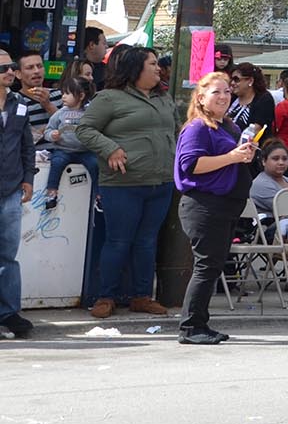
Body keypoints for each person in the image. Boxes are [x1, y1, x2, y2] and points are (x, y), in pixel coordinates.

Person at [77, 45, 177, 319]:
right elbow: (84, 129)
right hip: (122, 184)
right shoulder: (109, 98)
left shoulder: (164, 99)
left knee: (147, 242)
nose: (159, 68)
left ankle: (142, 296)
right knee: (118, 241)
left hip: (160, 182)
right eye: (153, 63)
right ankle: (105, 296)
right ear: (136, 68)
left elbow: (176, 132)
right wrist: (109, 148)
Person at [172, 71, 257, 345]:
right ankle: (190, 327)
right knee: (206, 266)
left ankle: (200, 323)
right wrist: (231, 157)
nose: (223, 97)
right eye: (216, 92)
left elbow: (231, 160)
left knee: (213, 265)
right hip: (204, 204)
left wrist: (244, 155)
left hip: (227, 204)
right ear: (201, 98)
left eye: (227, 92)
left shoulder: (229, 127)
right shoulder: (198, 127)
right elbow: (191, 165)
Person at [0, 54, 33, 339]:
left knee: (8, 256)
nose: (11, 72)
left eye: (12, 67)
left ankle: (9, 312)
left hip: (10, 189)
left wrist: (28, 180)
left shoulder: (20, 104)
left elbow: (27, 146)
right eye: (4, 68)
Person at [40, 76, 98, 210]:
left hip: (85, 151)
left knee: (95, 164)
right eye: (63, 93)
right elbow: (48, 130)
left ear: (81, 95)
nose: (63, 97)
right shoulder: (60, 113)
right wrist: (52, 135)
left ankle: (98, 196)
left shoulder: (90, 113)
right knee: (57, 163)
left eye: (67, 93)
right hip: (63, 149)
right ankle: (51, 193)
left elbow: (98, 129)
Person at [12, 51, 55, 145]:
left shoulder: (61, 95)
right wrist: (51, 127)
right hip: (33, 156)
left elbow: (71, 128)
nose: (36, 71)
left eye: (39, 66)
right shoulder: (13, 102)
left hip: (65, 155)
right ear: (18, 74)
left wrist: (48, 106)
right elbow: (19, 140)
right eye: (30, 68)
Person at [227, 63, 276, 138]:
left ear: (250, 81)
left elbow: (256, 129)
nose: (232, 83)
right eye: (231, 79)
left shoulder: (264, 99)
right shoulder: (232, 97)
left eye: (236, 79)